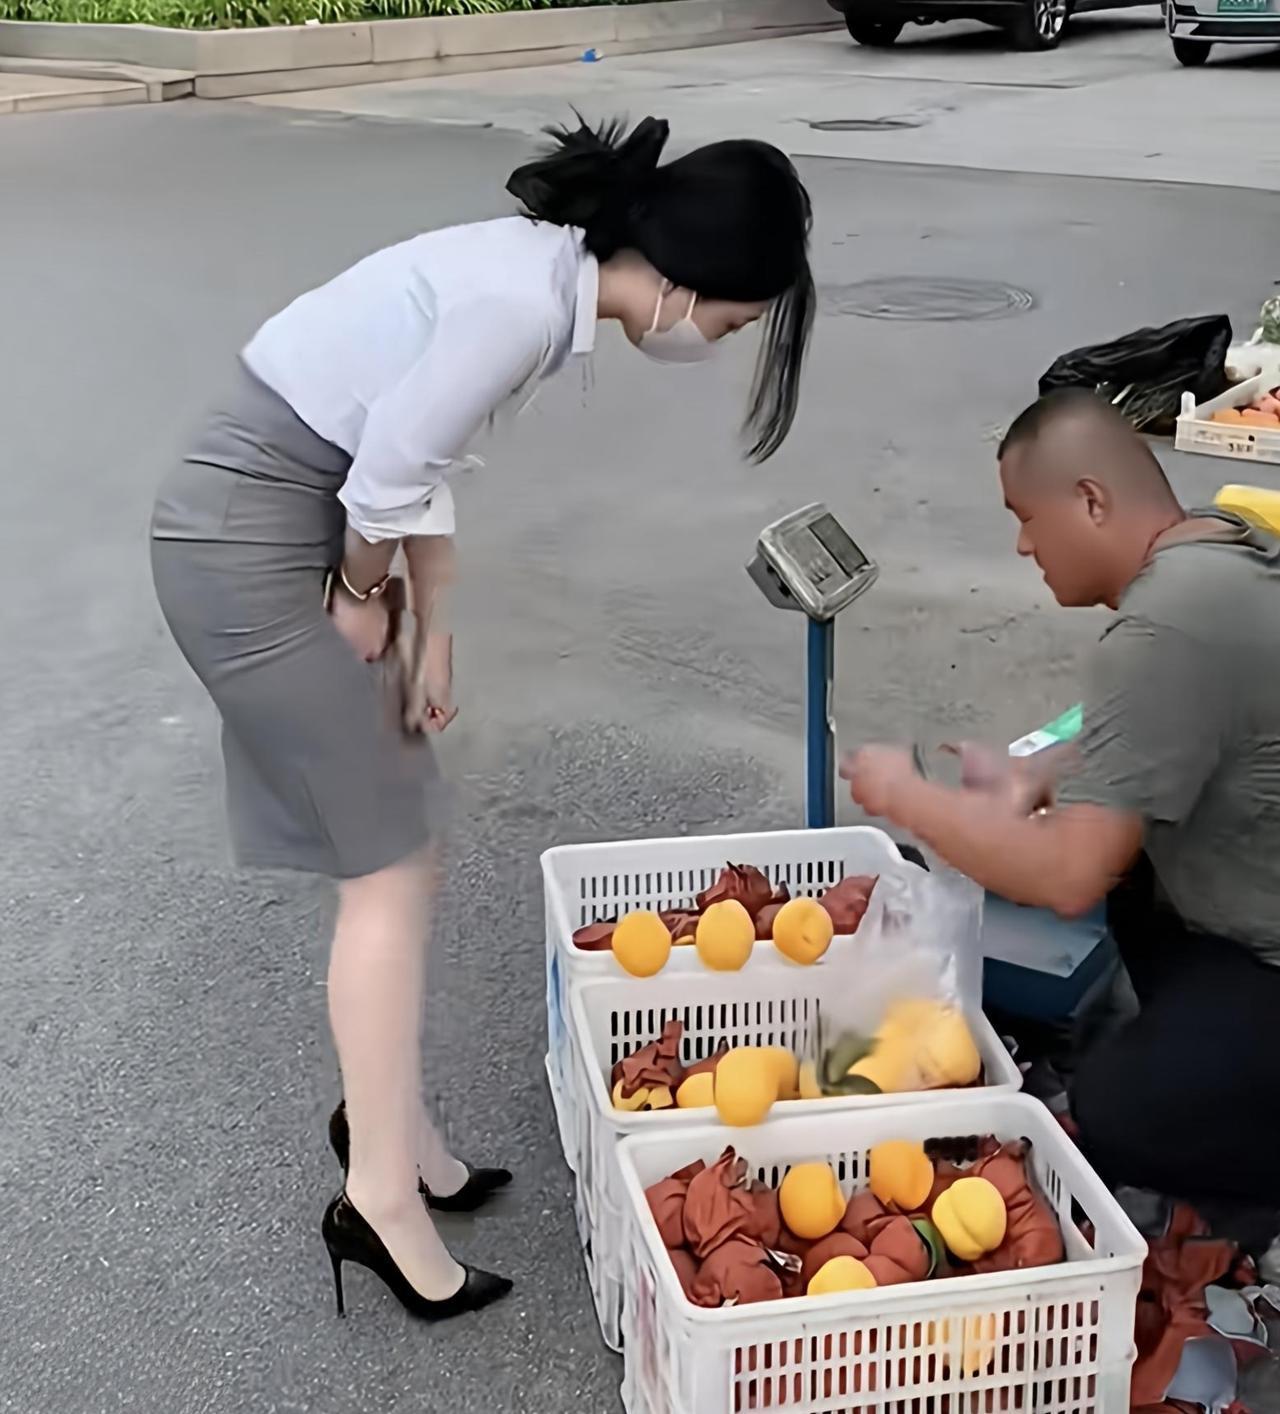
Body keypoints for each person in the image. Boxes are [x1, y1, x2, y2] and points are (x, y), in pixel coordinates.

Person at [150, 115, 816, 1325]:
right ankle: (377, 1196)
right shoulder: (523, 306)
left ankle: (392, 1128)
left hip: (284, 514)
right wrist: (364, 597)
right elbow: (388, 470)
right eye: (731, 321)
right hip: (252, 539)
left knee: (402, 847)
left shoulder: (538, 275)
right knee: (387, 864)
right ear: (685, 282)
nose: (717, 340)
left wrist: (433, 623)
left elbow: (417, 449)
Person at [843, 388, 1280, 1250]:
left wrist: (906, 795)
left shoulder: (1164, 627)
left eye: (1026, 518)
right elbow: (1181, 723)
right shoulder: (1219, 555)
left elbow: (1067, 877)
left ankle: (1243, 1162)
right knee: (1129, 868)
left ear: (1090, 501)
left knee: (1120, 1109)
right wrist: (1041, 774)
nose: (1022, 545)